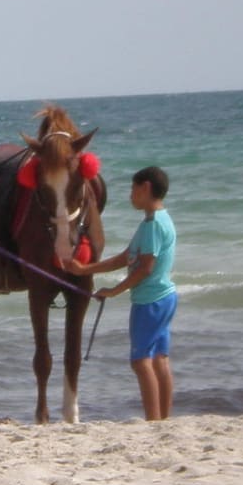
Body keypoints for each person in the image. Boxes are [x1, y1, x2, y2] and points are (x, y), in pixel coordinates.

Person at [66, 166, 177, 420]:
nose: (130, 195)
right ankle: (163, 420)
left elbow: (145, 268)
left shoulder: (152, 225)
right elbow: (128, 258)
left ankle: (153, 421)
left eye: (133, 189)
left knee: (141, 362)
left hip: (150, 301)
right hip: (165, 297)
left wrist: (115, 291)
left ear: (145, 188)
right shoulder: (160, 220)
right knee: (159, 358)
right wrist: (86, 270)